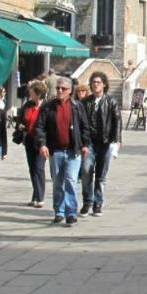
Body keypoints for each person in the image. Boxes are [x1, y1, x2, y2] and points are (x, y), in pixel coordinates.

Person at [34, 75, 92, 226]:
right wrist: (42, 144)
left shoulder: (77, 106)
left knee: (71, 181)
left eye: (63, 88)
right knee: (58, 182)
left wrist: (85, 144)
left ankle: (71, 212)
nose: (59, 90)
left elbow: (85, 127)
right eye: (58, 88)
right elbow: (40, 127)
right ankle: (59, 211)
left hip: (74, 151)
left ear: (70, 91)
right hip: (56, 150)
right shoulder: (48, 107)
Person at [81, 71, 120, 217]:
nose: (95, 84)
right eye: (93, 82)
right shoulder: (85, 102)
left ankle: (98, 204)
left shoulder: (111, 101)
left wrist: (117, 140)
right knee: (86, 171)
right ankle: (87, 201)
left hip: (105, 141)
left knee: (101, 175)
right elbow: (80, 122)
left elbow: (117, 121)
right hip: (89, 142)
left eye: (98, 82)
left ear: (104, 84)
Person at [15, 81, 48, 208]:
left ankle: (40, 197)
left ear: (38, 94)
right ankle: (35, 195)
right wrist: (20, 125)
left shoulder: (46, 106)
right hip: (29, 140)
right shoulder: (27, 105)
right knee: (32, 168)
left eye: (32, 92)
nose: (29, 94)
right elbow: (20, 118)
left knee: (39, 167)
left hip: (42, 142)